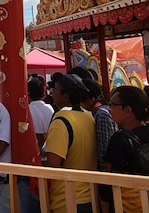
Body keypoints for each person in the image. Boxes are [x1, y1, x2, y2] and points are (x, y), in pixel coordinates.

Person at [45, 72, 96, 213]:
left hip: (66, 199)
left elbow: (53, 163)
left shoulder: (60, 120)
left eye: (55, 90)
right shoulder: (89, 116)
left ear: (65, 96)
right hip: (90, 196)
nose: (52, 94)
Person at [104, 85, 149, 212]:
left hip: (126, 207)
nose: (109, 109)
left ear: (128, 110)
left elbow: (110, 181)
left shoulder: (119, 139)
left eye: (113, 104)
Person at [81, 77, 117, 213]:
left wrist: (103, 182)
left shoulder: (100, 114)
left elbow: (104, 149)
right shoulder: (95, 112)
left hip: (104, 178)